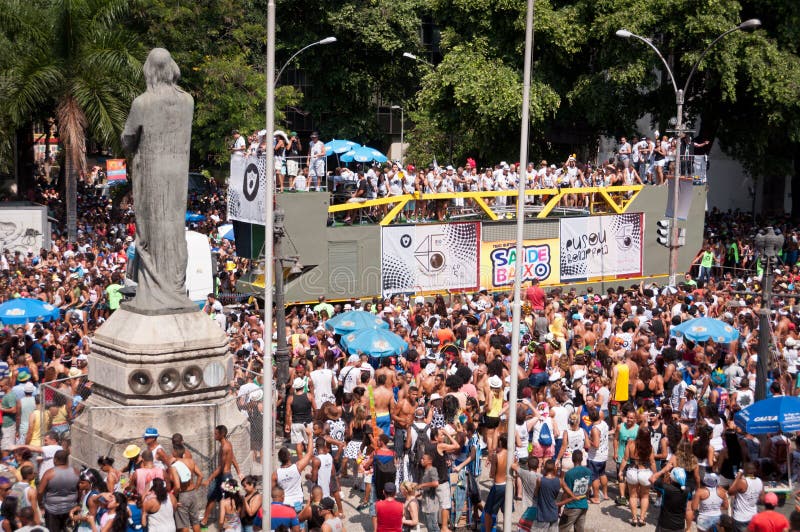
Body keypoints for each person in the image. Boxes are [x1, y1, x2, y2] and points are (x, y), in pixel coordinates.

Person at [201, 425, 241, 528]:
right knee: (211, 497)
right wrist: (239, 471)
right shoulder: (225, 444)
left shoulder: (225, 447)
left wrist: (209, 480)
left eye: (216, 433)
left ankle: (229, 525)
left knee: (229, 500)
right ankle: (204, 521)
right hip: (220, 477)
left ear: (222, 434)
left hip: (225, 477)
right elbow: (232, 458)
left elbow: (220, 467)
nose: (214, 435)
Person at [619, 426, 656, 526]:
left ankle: (634, 518)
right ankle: (642, 518)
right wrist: (656, 474)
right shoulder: (650, 447)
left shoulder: (631, 443)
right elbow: (652, 462)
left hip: (632, 471)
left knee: (633, 495)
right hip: (645, 472)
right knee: (644, 496)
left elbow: (625, 459)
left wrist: (621, 471)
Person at [37, 449, 79, 532]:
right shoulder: (76, 472)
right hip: (70, 509)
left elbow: (40, 491)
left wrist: (40, 504)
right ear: (67, 460)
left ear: (55, 459)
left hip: (52, 510)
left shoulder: (49, 473)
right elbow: (79, 490)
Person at [559, 450, 592, 532]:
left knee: (562, 529)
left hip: (572, 506)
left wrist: (560, 505)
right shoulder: (588, 471)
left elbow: (566, 492)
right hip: (584, 505)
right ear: (582, 459)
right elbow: (588, 488)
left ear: (572, 459)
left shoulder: (569, 474)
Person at [650, 466, 688, 532]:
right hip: (680, 526)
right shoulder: (687, 491)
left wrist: (663, 471)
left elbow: (651, 478)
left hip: (665, 525)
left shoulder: (665, 488)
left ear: (672, 477)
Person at [728, 463, 764, 532]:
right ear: (755, 471)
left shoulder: (742, 482)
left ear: (745, 471)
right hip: (753, 516)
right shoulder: (760, 481)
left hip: (740, 518)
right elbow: (762, 499)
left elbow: (730, 492)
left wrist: (738, 476)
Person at [534, 459, 561, 531]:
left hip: (542, 514)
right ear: (554, 468)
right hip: (554, 513)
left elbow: (535, 494)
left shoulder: (540, 480)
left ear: (544, 468)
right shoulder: (559, 481)